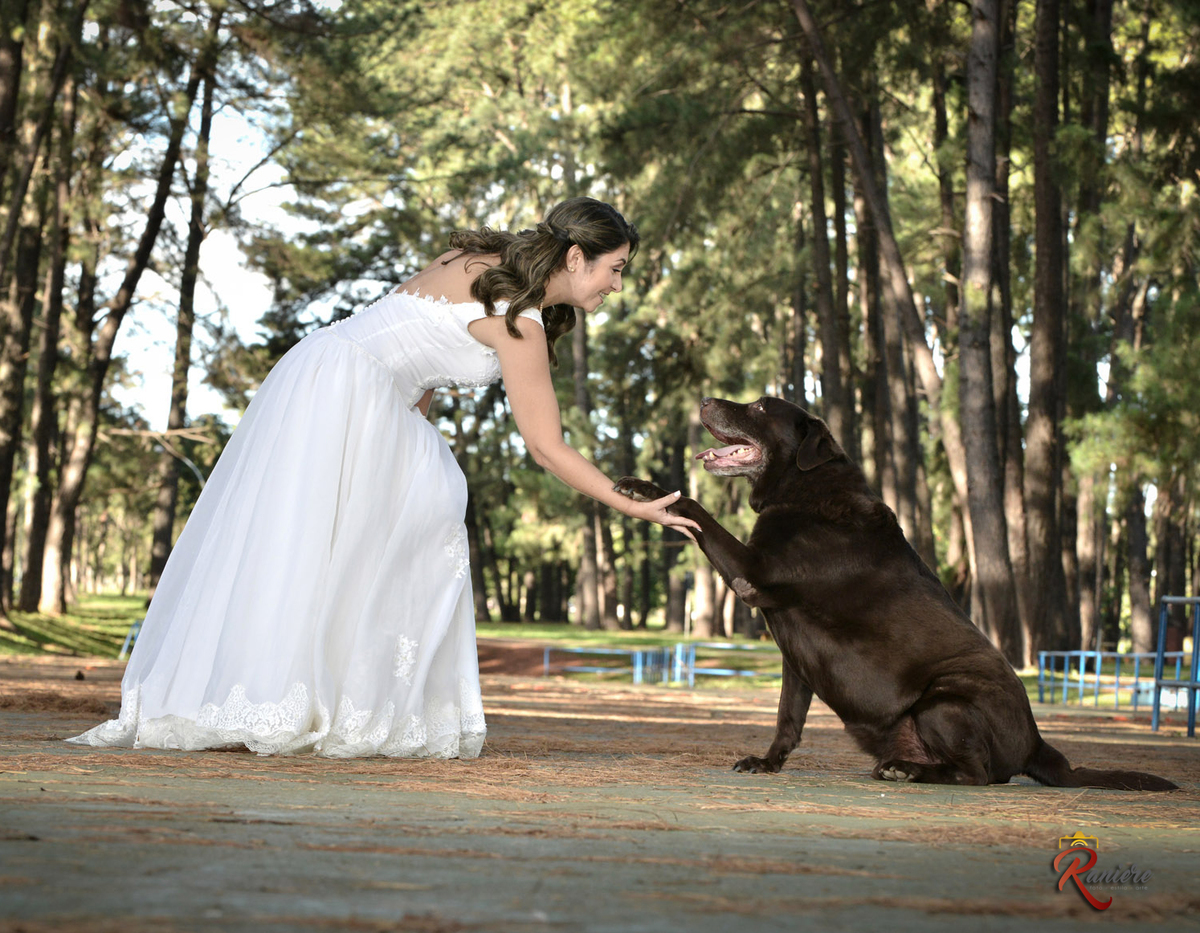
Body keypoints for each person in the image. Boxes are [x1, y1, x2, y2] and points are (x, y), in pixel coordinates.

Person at [67, 197, 698, 759]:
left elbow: (406, 329)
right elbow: (544, 445)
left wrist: (409, 399)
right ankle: (333, 699)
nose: (617, 284)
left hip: (324, 367)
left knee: (338, 535)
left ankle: (318, 692)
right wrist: (631, 505)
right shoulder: (519, 322)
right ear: (577, 256)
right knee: (416, 511)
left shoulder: (481, 258)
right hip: (353, 395)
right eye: (615, 268)